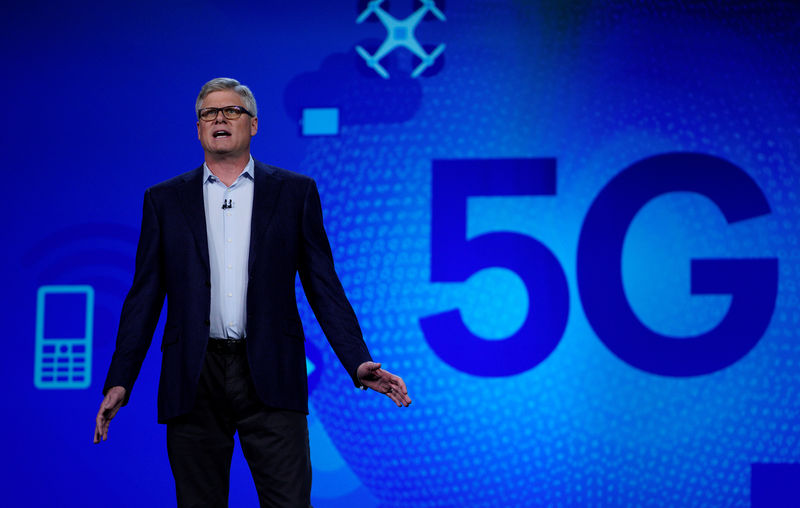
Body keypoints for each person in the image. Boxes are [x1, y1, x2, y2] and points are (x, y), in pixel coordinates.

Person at [93, 77, 411, 507]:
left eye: (231, 111)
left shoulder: (295, 193)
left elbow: (323, 284)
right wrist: (120, 380)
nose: (219, 119)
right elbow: (144, 295)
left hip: (271, 373)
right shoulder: (164, 200)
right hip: (193, 378)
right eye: (208, 113)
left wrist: (356, 360)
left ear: (254, 125)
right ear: (198, 129)